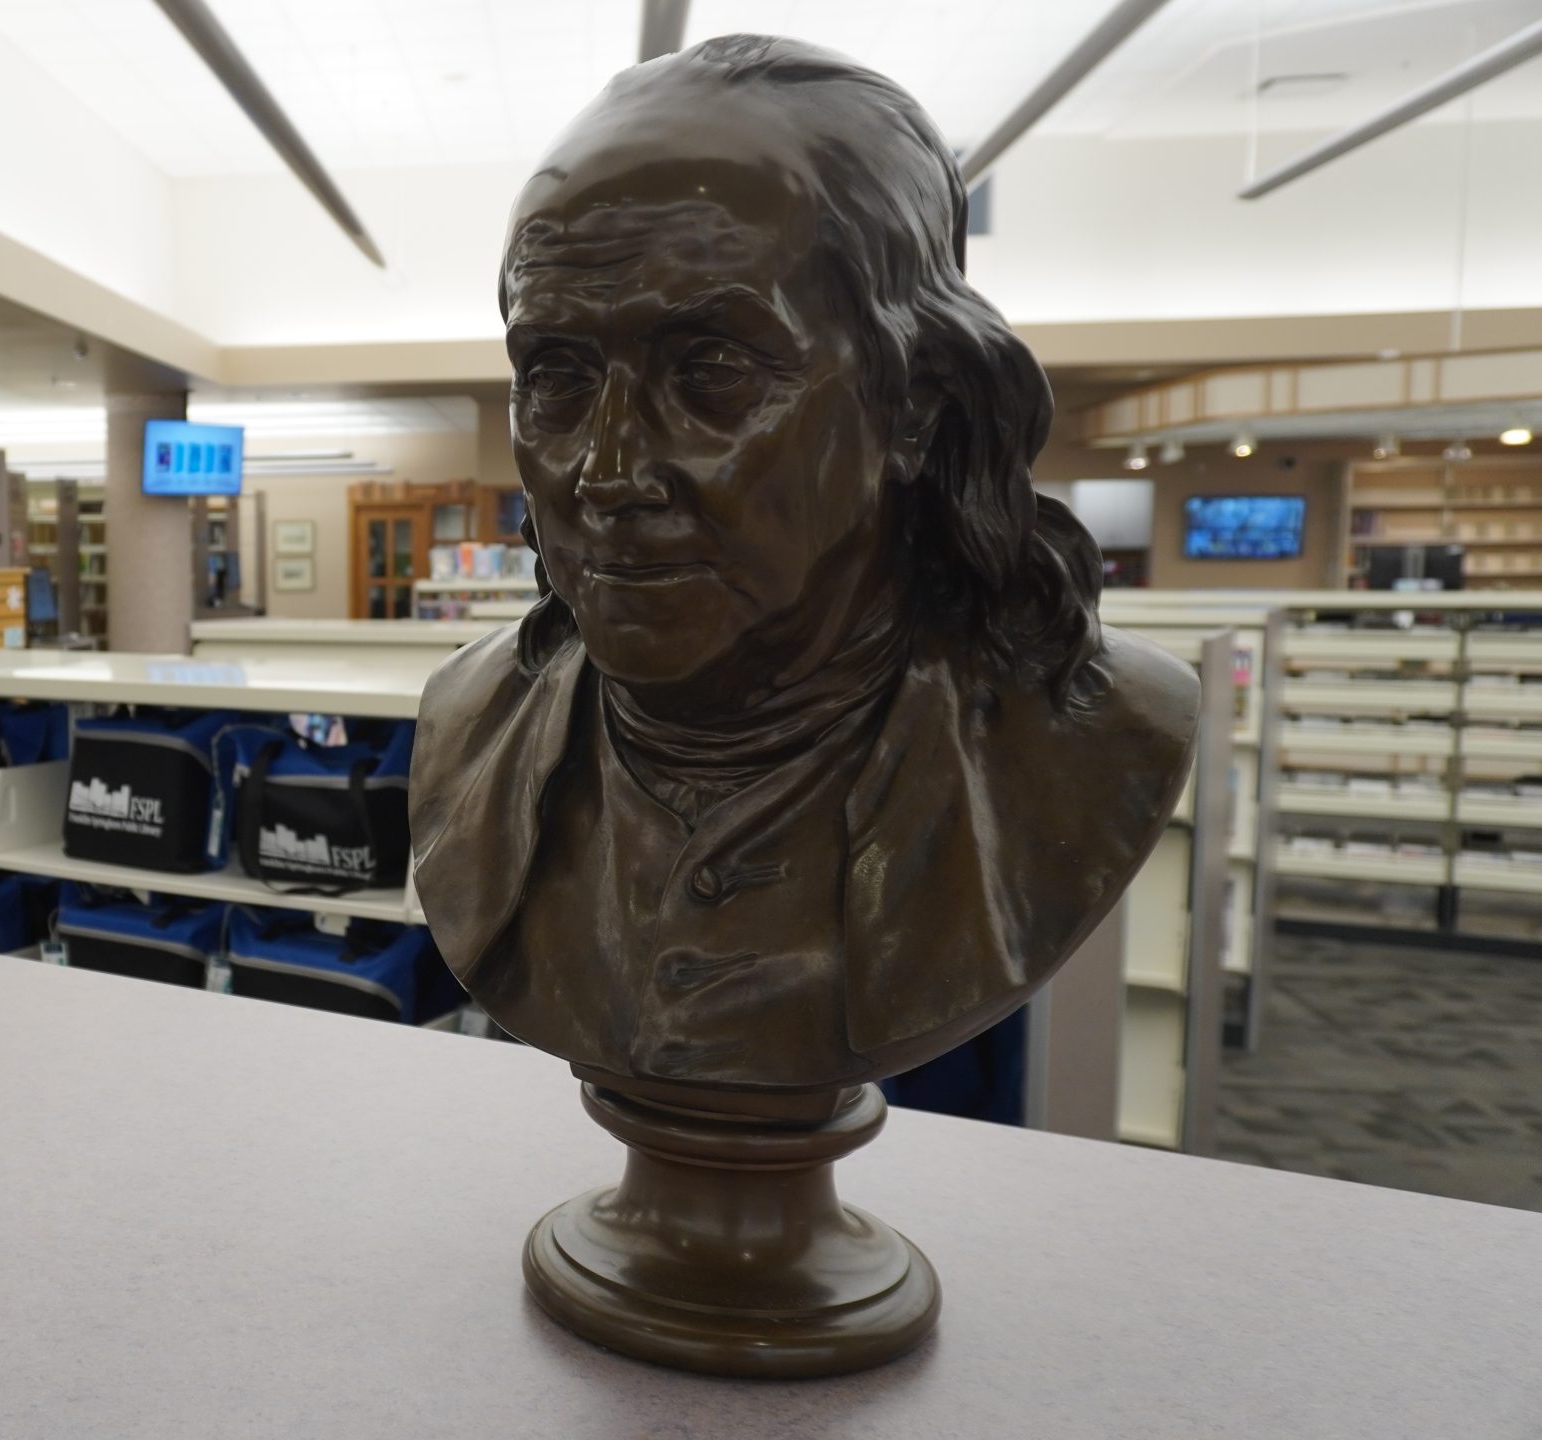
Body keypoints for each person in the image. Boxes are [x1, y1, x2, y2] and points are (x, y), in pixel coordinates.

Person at [410, 34, 1198, 1095]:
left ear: (913, 403)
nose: (607, 473)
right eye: (553, 373)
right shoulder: (466, 718)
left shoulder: (1099, 736)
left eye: (714, 369)